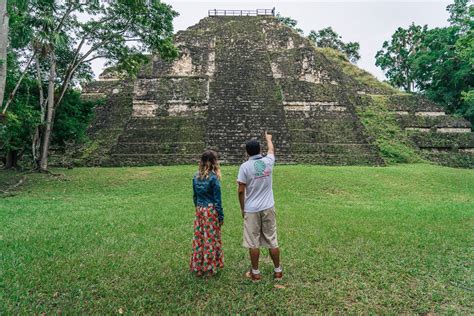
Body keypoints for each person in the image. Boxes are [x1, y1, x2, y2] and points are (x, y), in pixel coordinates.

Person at [237, 132, 282, 281]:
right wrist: (269, 139)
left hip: (252, 208)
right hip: (268, 206)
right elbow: (271, 150)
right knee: (272, 239)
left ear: (247, 151)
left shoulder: (245, 167)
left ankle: (255, 273)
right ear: (259, 149)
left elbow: (241, 190)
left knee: (253, 242)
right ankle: (278, 271)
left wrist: (242, 208)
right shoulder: (268, 162)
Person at [190, 150, 224, 277]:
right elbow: (217, 200)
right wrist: (220, 216)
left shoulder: (195, 177)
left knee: (199, 239)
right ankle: (209, 268)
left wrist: (199, 209)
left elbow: (195, 197)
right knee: (210, 239)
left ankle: (198, 267)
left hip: (199, 209)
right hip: (210, 211)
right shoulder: (214, 178)